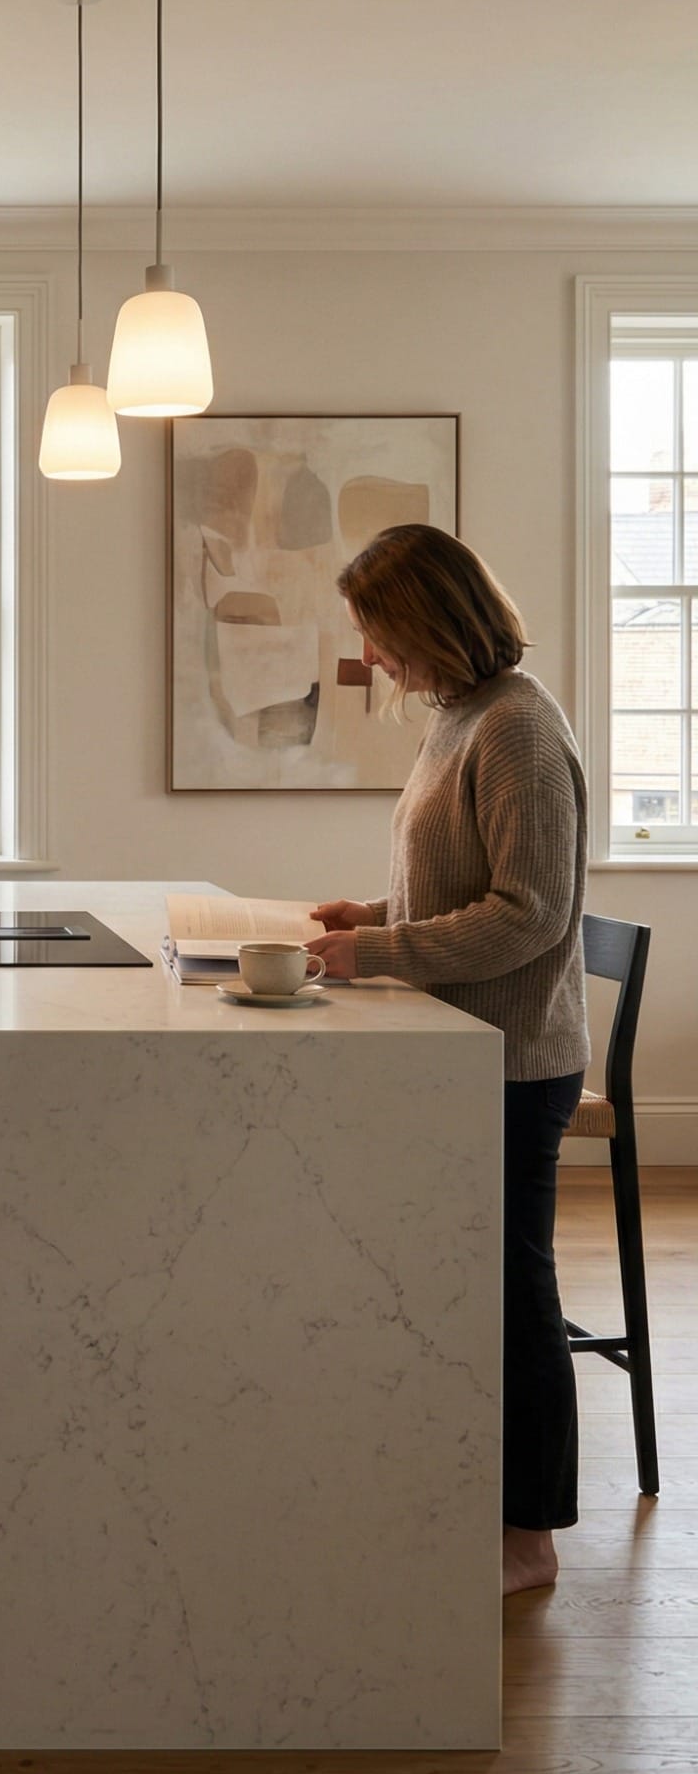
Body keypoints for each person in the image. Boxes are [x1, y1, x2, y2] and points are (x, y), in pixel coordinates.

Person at [304, 523, 589, 1599]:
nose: (371, 655)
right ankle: (457, 1478)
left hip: (510, 1062)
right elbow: (462, 880)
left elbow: (526, 914)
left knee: (512, 1290)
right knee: (467, 1277)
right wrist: (370, 913)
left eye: (377, 631)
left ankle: (528, 1535)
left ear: (429, 619)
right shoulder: (458, 718)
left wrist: (370, 950)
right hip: (457, 1051)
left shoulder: (514, 727)